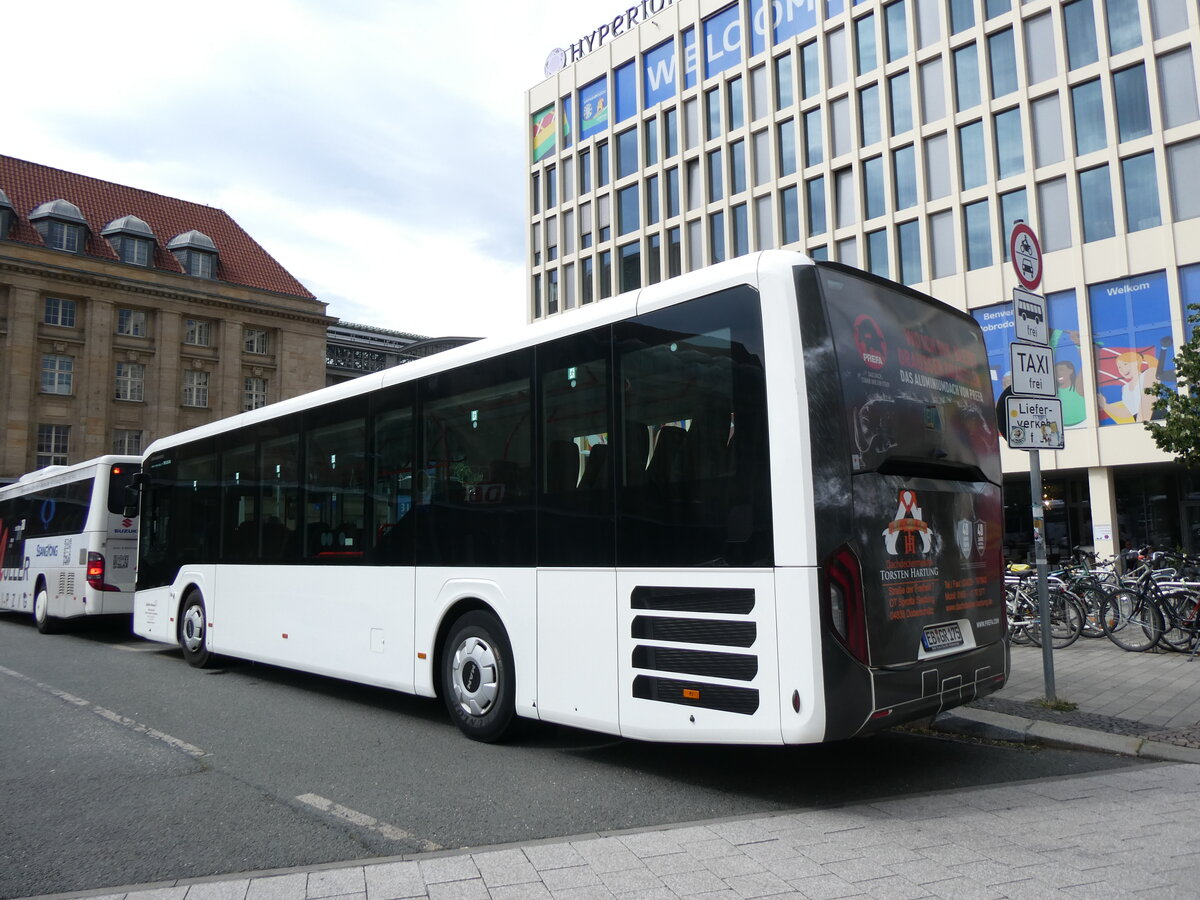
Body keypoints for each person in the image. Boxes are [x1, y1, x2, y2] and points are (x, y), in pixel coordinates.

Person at [1097, 351, 1155, 423]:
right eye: (1119, 367)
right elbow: (1127, 412)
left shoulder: (1149, 373)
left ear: (1136, 363)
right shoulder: (1125, 388)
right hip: (1140, 422)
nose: (1122, 369)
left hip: (1156, 417)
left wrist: (1140, 426)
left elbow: (1148, 400)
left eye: (1125, 364)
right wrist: (1105, 405)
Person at [1055, 360, 1086, 426]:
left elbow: (1085, 362)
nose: (1058, 373)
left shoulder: (1078, 386)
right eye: (1056, 371)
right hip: (1061, 427)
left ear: (1071, 371)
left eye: (1061, 369)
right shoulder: (1053, 392)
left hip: (1083, 425)